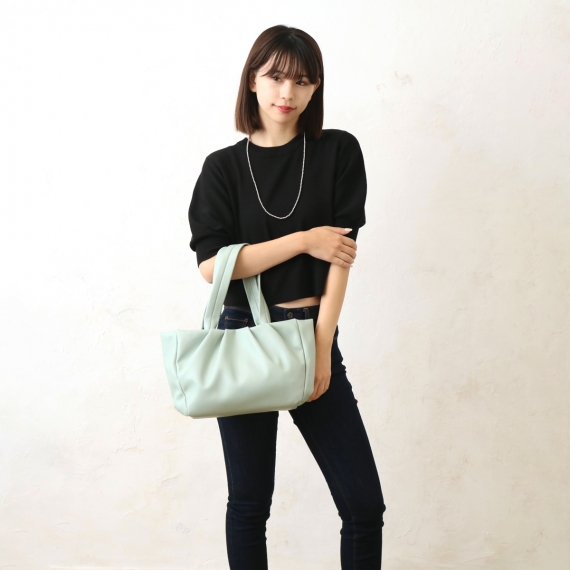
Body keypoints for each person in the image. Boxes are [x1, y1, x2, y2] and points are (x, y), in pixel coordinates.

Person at [188, 24, 386, 570]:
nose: (287, 92)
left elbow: (340, 257)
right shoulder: (223, 167)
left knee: (363, 506)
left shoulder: (338, 151)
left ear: (315, 87)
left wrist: (322, 345)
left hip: (311, 331)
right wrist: (303, 240)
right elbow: (213, 267)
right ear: (252, 80)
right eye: (276, 77)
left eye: (302, 81)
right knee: (250, 504)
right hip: (242, 334)